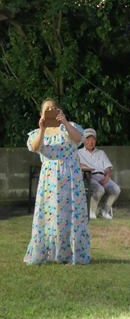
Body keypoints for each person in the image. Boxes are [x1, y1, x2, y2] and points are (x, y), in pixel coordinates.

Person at [25, 99, 90, 265]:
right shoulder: (37, 132)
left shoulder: (70, 127)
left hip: (71, 177)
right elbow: (36, 147)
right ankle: (47, 254)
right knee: (49, 215)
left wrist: (65, 122)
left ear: (60, 110)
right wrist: (42, 129)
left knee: (71, 214)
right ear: (41, 114)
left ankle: (72, 255)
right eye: (47, 109)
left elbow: (77, 139)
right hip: (49, 180)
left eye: (54, 108)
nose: (51, 110)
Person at [78, 129, 120, 219]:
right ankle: (91, 212)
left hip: (102, 176)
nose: (90, 142)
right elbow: (75, 163)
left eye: (93, 139)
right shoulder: (78, 153)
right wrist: (85, 168)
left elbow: (107, 167)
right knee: (99, 189)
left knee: (116, 189)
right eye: (88, 139)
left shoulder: (101, 153)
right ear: (83, 140)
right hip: (88, 177)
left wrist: (107, 176)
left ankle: (104, 211)